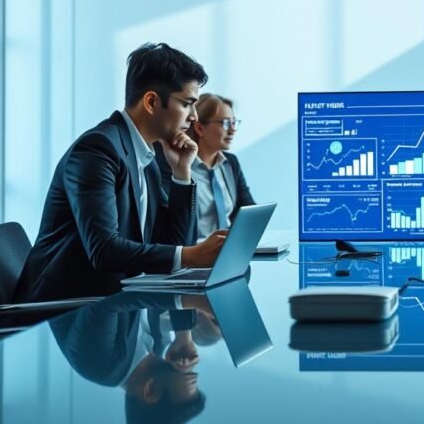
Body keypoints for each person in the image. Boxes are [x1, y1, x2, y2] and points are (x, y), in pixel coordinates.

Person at [15, 43, 229, 303]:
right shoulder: (97, 150)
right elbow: (104, 250)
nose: (194, 116)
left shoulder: (148, 155)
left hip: (118, 306)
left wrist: (182, 173)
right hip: (62, 311)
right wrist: (191, 255)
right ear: (151, 102)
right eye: (187, 104)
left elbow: (173, 244)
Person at [49, 292, 209, 424]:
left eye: (187, 376)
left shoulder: (100, 365)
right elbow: (170, 284)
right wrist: (183, 335)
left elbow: (107, 300)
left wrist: (190, 301)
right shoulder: (157, 345)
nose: (192, 370)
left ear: (151, 390)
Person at [158, 94, 254, 242]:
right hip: (196, 251)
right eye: (225, 123)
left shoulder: (230, 163)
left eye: (234, 123)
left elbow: (248, 210)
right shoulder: (175, 166)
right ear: (199, 128)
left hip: (228, 247)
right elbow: (175, 226)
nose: (232, 130)